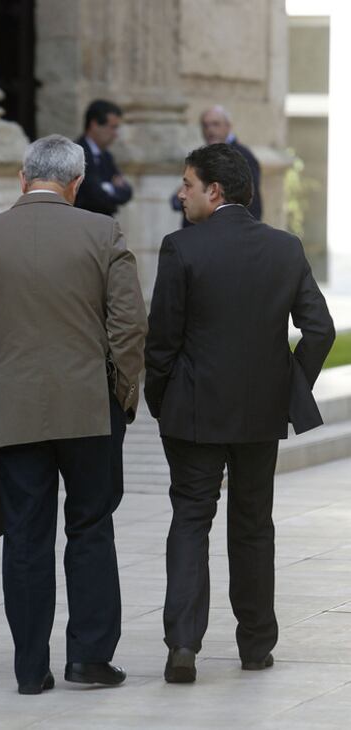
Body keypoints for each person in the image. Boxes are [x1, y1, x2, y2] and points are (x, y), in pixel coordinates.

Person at [0, 134, 147, 695]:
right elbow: (130, 325)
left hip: (13, 413)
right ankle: (88, 657)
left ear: (21, 176)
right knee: (90, 527)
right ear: (77, 183)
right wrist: (122, 393)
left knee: (26, 536)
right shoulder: (102, 232)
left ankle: (29, 669)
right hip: (90, 408)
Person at [145, 144, 335, 683]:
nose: (180, 193)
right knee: (253, 525)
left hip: (194, 412)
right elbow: (319, 330)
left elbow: (162, 342)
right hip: (260, 413)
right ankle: (255, 645)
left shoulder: (181, 248)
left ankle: (183, 644)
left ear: (216, 190)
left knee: (189, 520)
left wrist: (163, 399)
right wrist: (290, 385)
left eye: (187, 183)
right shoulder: (284, 247)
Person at [171, 104, 262, 224]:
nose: (210, 130)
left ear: (228, 126)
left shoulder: (243, 156)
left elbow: (251, 201)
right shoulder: (200, 156)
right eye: (205, 125)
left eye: (215, 124)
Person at [75, 99, 132, 216]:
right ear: (94, 125)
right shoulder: (76, 153)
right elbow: (93, 195)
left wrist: (106, 188)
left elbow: (127, 192)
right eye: (112, 127)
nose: (115, 134)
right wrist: (112, 188)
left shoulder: (106, 156)